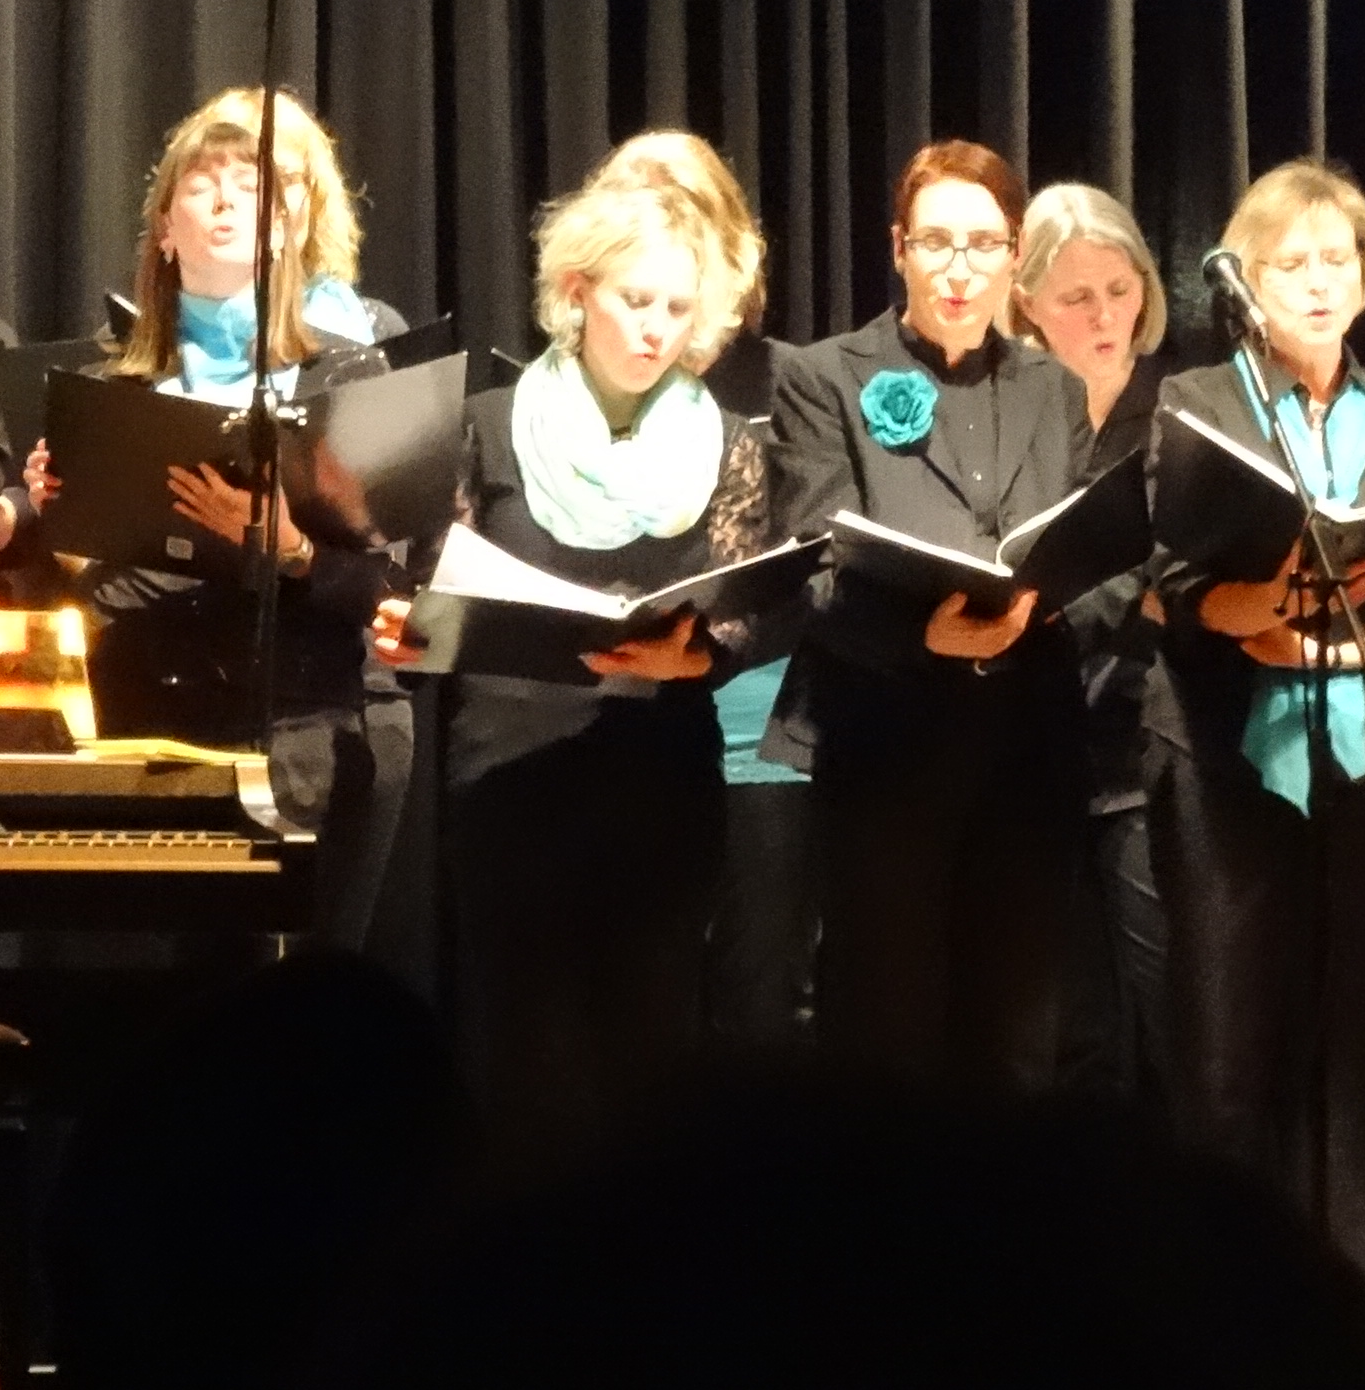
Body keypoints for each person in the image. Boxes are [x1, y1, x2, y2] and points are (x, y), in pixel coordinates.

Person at [374, 173, 765, 1157]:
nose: (657, 329)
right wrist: (411, 632)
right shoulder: (489, 422)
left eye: (678, 308)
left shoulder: (725, 446)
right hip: (511, 781)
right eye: (637, 300)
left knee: (652, 1077)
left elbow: (746, 615)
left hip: (659, 781)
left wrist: (697, 652)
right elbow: (436, 587)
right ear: (579, 290)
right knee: (526, 1074)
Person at [1144, 160, 1365, 1295]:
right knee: (1227, 1060)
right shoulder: (1199, 402)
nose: (1320, 283)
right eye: (1291, 264)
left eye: (1338, 260)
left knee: (1350, 1062)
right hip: (1231, 763)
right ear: (1248, 281)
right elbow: (1170, 577)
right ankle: (1215, 1313)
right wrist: (1255, 611)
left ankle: (1345, 1314)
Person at [28, 88, 420, 957]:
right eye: (201, 185)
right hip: (145, 729)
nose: (226, 202)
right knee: (167, 1007)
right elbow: (86, 586)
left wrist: (290, 550)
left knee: (295, 1008)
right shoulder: (109, 383)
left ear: (285, 231)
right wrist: (60, 521)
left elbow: (389, 585)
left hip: (304, 725)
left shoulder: (348, 371)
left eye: (251, 188)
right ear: (164, 230)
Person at [764, 140, 1087, 1088]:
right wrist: (919, 635)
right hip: (886, 748)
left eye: (984, 245)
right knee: (887, 1044)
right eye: (937, 242)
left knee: (1015, 1052)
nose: (960, 268)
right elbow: (811, 567)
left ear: (1014, 256)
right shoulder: (826, 376)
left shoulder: (1052, 388)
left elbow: (1081, 543)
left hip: (1025, 753)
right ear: (899, 248)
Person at [587, 132, 814, 1053]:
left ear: (731, 243)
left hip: (759, 714)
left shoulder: (787, 379)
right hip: (621, 713)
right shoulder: (580, 389)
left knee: (762, 986)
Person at [1007, 180, 1174, 1103]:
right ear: (1026, 303)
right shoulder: (1009, 412)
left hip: (1144, 749)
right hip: (1032, 749)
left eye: (1120, 288)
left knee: (1166, 1012)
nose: (1107, 314)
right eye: (1077, 297)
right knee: (1061, 1033)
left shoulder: (1181, 407)